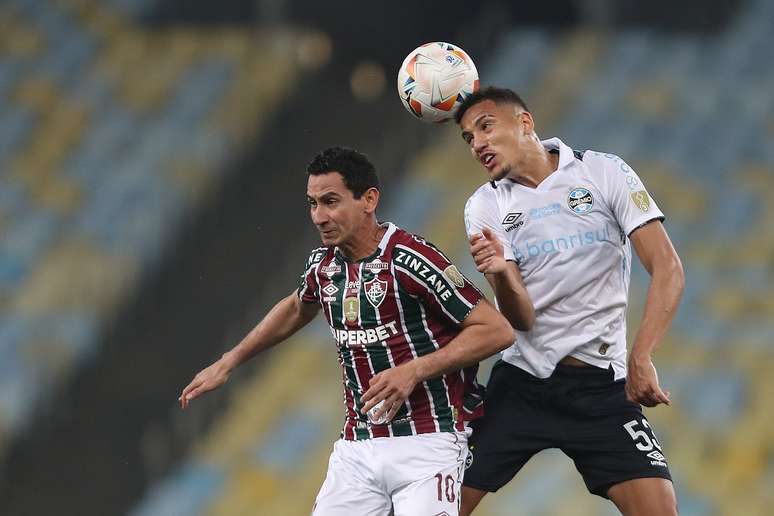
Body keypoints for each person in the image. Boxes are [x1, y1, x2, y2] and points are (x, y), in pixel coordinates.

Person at [179, 146, 514, 515]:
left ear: (368, 199)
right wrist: (230, 361)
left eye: (331, 202)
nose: (319, 216)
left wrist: (414, 370)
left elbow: (496, 330)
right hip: (359, 446)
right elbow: (296, 307)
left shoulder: (410, 259)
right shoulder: (322, 267)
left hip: (429, 441)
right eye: (312, 204)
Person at [454, 87, 685, 515]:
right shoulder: (485, 205)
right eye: (468, 138)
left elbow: (668, 268)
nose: (478, 144)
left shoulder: (603, 172)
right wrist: (503, 275)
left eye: (486, 127)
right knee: (438, 506)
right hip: (523, 384)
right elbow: (519, 319)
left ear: (525, 123)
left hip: (602, 389)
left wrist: (642, 356)